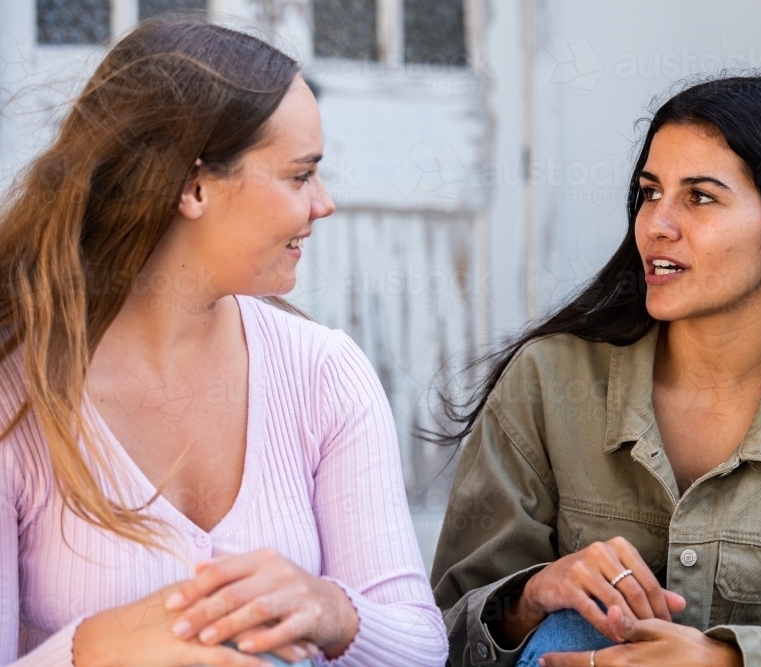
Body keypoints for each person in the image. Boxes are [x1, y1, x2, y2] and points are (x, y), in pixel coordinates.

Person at [430, 75, 761, 667]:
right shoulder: (548, 380)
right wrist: (530, 596)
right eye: (650, 192)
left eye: (700, 197)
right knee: (566, 635)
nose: (657, 224)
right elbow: (434, 634)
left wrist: (729, 661)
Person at [0, 18, 447, 667]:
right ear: (194, 185)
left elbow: (422, 646)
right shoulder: (18, 396)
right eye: (299, 176)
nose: (323, 204)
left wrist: (331, 610)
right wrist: (93, 648)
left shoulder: (325, 374)